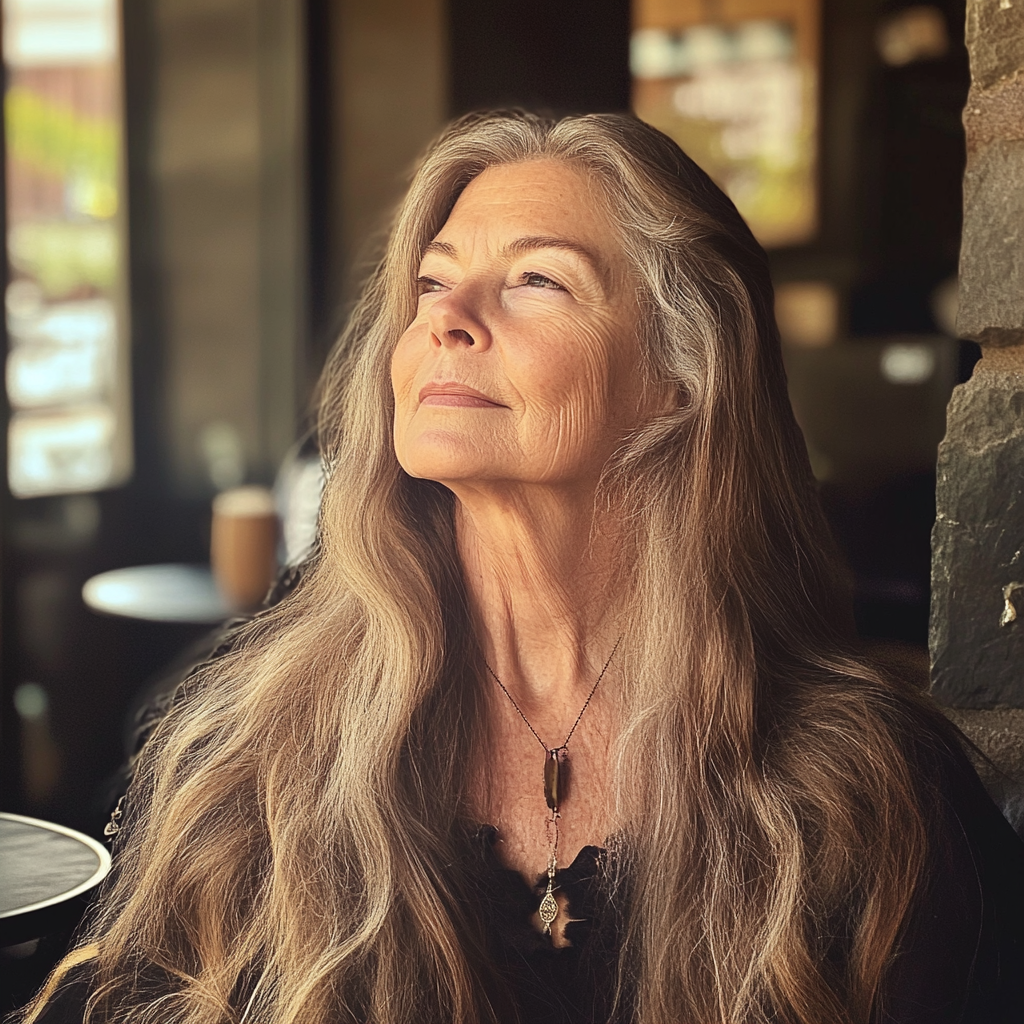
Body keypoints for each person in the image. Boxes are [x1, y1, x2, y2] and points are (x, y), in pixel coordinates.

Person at [21, 110, 1024, 1024]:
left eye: (536, 279)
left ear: (681, 375)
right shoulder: (246, 758)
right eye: (430, 282)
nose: (445, 317)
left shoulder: (866, 794)